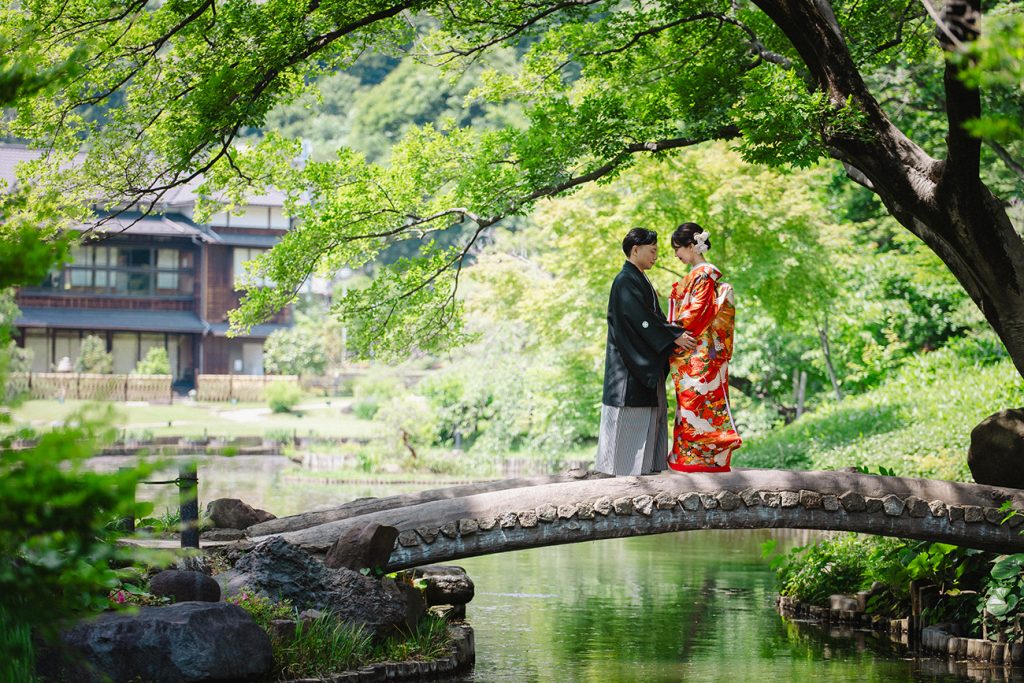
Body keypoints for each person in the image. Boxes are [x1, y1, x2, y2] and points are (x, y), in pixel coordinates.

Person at [596, 228, 696, 476]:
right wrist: (673, 336)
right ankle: (622, 474)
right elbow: (641, 320)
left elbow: (653, 318)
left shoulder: (638, 279)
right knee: (629, 418)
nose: (656, 256)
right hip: (628, 369)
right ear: (635, 250)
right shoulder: (624, 281)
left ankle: (647, 471)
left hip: (642, 363)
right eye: (652, 251)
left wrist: (672, 334)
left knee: (652, 415)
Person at [666, 222, 742, 472]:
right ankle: (692, 458)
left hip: (698, 349)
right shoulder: (699, 274)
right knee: (691, 404)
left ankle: (704, 459)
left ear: (691, 246)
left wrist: (672, 330)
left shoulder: (704, 273)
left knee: (697, 400)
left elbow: (697, 311)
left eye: (677, 248)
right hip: (697, 347)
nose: (676, 254)